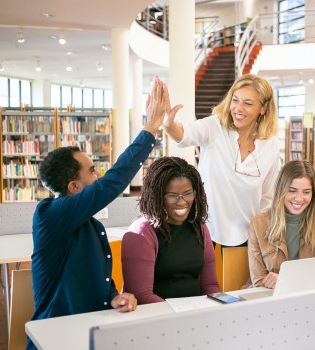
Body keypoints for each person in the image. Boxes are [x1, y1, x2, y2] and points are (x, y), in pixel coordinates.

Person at [26, 77, 167, 350]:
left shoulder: (87, 223)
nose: (99, 175)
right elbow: (111, 184)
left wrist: (113, 296)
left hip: (90, 330)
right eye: (92, 171)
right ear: (74, 187)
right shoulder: (50, 215)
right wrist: (150, 128)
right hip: (56, 337)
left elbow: (93, 274)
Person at [163, 74, 281, 248]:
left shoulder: (270, 145)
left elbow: (268, 196)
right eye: (235, 100)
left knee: (238, 277)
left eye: (248, 103)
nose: (238, 108)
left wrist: (261, 233)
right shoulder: (215, 127)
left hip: (247, 235)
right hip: (204, 230)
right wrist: (168, 123)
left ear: (263, 108)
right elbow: (184, 134)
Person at [121, 156, 220, 304]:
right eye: (172, 196)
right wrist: (182, 315)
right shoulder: (140, 233)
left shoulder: (200, 227)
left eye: (187, 193)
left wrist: (222, 306)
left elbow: (210, 285)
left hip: (193, 315)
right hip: (156, 319)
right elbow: (141, 296)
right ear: (157, 196)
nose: (181, 202)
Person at [246, 160, 315, 288]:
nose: (299, 198)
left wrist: (287, 280)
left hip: (311, 295)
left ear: (313, 194)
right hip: (271, 298)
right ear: (282, 190)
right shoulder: (258, 223)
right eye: (292, 191)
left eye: (306, 192)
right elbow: (259, 281)